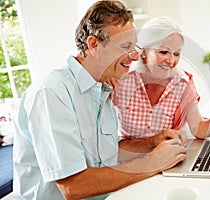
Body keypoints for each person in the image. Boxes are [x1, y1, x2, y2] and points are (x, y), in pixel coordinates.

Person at [13, 2, 187, 200]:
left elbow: (107, 153)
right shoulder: (52, 93)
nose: (136, 55)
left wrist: (151, 143)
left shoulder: (102, 89)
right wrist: (151, 164)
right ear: (94, 45)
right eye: (125, 46)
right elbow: (73, 186)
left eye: (134, 46)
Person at [112, 16, 210, 142]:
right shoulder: (121, 79)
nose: (171, 60)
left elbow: (197, 127)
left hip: (167, 158)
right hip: (128, 158)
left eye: (176, 53)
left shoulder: (182, 83)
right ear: (143, 51)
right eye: (163, 52)